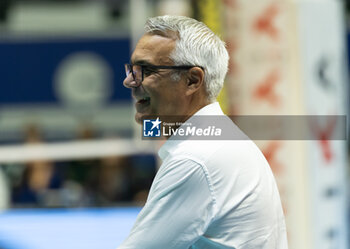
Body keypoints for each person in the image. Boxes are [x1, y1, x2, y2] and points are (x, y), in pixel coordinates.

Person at [120, 15, 288, 249]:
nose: (130, 81)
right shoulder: (220, 141)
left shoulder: (195, 159)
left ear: (192, 80)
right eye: (132, 70)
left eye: (146, 70)